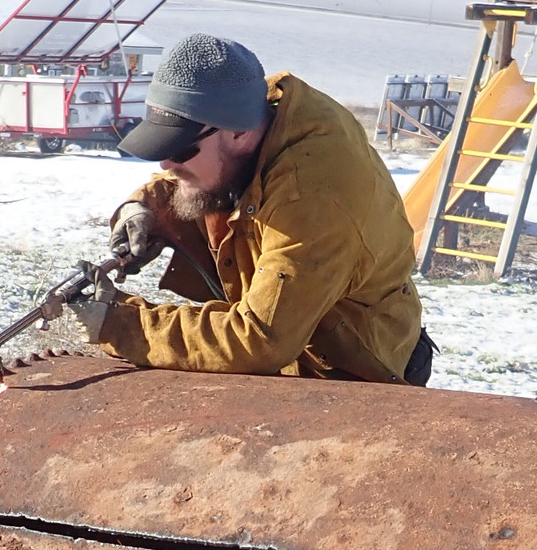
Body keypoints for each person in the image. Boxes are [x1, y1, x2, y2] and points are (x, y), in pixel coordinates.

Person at [73, 34, 433, 386]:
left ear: (238, 134)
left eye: (180, 149)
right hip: (292, 356)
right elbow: (201, 175)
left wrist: (122, 323)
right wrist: (143, 206)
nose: (166, 165)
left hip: (354, 376)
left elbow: (259, 338)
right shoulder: (254, 106)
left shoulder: (311, 200)